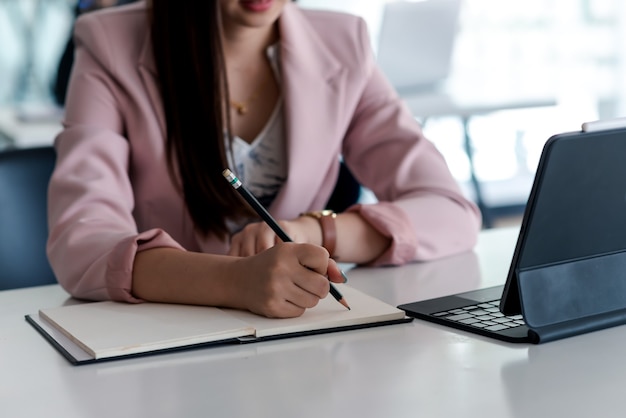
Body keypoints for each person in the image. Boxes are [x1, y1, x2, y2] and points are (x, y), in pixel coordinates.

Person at [47, 0, 482, 319]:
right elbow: (81, 238)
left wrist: (314, 232)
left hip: (297, 336)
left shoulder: (341, 42)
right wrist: (235, 281)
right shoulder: (110, 41)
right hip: (168, 336)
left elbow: (449, 210)